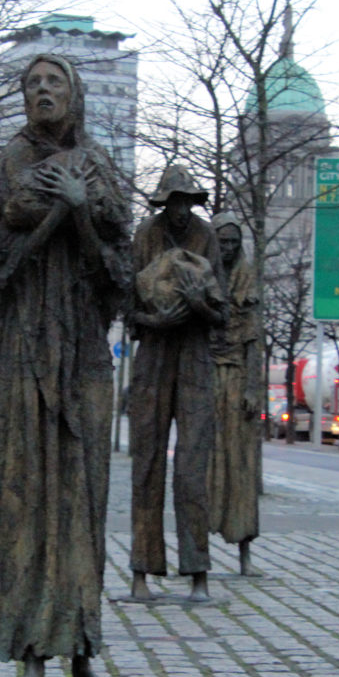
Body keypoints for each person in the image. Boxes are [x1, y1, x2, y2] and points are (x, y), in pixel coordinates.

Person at [0, 54, 131, 677]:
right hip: (26, 346)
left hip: (84, 349)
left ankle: (80, 647)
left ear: (74, 95)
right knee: (26, 492)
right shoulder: (12, 161)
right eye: (32, 84)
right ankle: (30, 656)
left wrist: (83, 212)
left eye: (54, 83)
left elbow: (118, 268)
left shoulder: (98, 162)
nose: (43, 91)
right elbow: (0, 258)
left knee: (83, 497)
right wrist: (63, 209)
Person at [129, 165, 225, 602]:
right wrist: (154, 319)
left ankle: (198, 571)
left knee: (191, 469)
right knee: (146, 464)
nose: (181, 209)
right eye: (174, 201)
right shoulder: (145, 234)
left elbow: (221, 314)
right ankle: (142, 572)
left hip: (194, 357)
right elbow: (126, 305)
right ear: (164, 202)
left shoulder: (207, 236)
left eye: (187, 200)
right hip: (153, 355)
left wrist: (196, 306)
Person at [206, 212, 260, 575]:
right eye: (221, 242)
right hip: (206, 376)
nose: (227, 249)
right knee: (203, 465)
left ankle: (245, 554)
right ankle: (197, 553)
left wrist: (253, 387)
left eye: (233, 243)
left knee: (240, 467)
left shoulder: (247, 279)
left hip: (237, 379)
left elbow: (254, 339)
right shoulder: (201, 274)